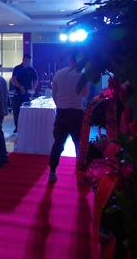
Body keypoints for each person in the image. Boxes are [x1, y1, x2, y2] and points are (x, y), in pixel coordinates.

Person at [48, 53, 89, 183]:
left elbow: (53, 94)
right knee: (79, 144)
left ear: (69, 60)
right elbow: (86, 94)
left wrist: (60, 104)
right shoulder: (82, 75)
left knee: (58, 143)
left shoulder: (58, 74)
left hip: (61, 112)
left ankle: (52, 172)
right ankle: (80, 172)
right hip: (76, 113)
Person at [11, 54, 38, 133]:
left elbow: (36, 80)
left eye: (29, 61)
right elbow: (13, 79)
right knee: (16, 110)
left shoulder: (31, 70)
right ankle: (17, 127)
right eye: (26, 60)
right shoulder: (17, 68)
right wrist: (19, 86)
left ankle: (26, 126)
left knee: (27, 110)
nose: (27, 62)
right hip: (18, 93)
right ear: (23, 60)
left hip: (27, 94)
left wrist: (33, 89)